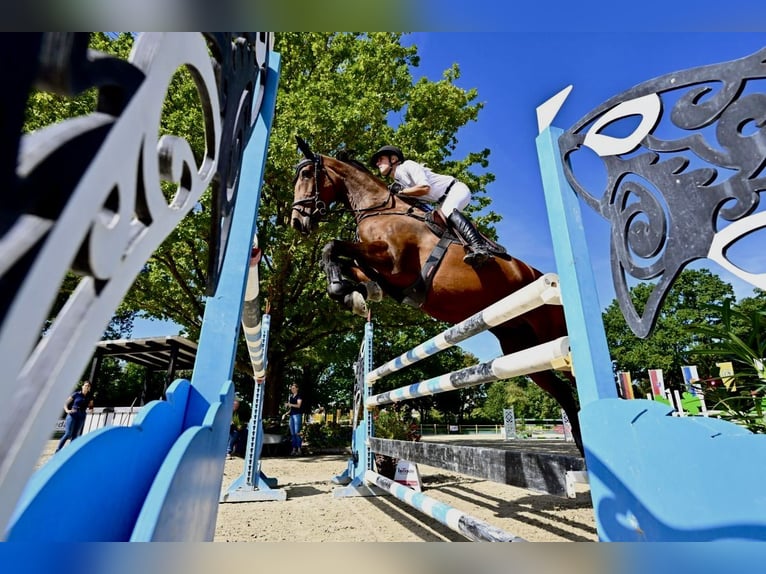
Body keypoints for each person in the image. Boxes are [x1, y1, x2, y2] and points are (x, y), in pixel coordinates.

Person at [371, 145, 493, 267]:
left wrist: (402, 192)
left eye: (380, 159)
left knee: (447, 212)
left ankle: (480, 247)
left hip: (455, 190)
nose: (377, 163)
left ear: (393, 159)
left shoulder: (407, 165)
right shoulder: (398, 182)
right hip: (442, 201)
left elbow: (425, 188)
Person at [56, 380, 94, 452]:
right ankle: (58, 451)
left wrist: (91, 410)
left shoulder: (90, 397)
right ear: (82, 386)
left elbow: (91, 406)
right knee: (68, 434)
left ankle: (70, 452)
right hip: (73, 414)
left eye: (88, 386)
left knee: (75, 435)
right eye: (86, 385)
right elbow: (65, 403)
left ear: (89, 388)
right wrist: (67, 410)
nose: (87, 387)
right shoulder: (76, 394)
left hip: (82, 415)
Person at [283, 384, 303, 455]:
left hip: (297, 415)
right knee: (292, 433)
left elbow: (298, 405)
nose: (292, 389)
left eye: (294, 388)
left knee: (297, 433)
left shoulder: (299, 396)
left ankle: (299, 449)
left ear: (297, 389)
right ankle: (294, 449)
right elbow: (292, 409)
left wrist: (290, 404)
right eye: (291, 388)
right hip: (292, 416)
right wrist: (286, 413)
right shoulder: (291, 397)